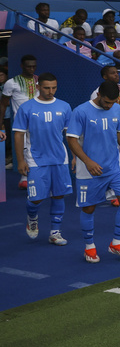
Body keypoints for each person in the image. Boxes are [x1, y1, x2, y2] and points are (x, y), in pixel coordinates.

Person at [67, 81, 120, 263]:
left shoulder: (116, 109)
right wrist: (87, 161)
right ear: (98, 95)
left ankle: (116, 243)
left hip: (114, 167)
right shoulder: (81, 111)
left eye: (113, 102)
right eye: (106, 102)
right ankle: (89, 247)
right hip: (89, 170)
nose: (109, 106)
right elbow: (72, 140)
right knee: (89, 208)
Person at [14, 73, 72, 246]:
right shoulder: (27, 107)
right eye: (47, 88)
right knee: (36, 199)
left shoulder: (64, 106)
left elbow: (70, 135)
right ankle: (32, 217)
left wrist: (75, 156)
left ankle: (55, 232)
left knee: (59, 195)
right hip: (35, 159)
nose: (51, 91)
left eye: (54, 87)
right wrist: (20, 160)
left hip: (60, 159)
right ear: (38, 87)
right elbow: (18, 135)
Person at [0, 54, 39, 190]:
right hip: (20, 123)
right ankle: (25, 177)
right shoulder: (11, 83)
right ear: (22, 66)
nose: (31, 69)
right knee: (23, 148)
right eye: (28, 66)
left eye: (34, 66)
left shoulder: (39, 81)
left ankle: (34, 176)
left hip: (38, 122)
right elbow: (3, 104)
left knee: (35, 148)